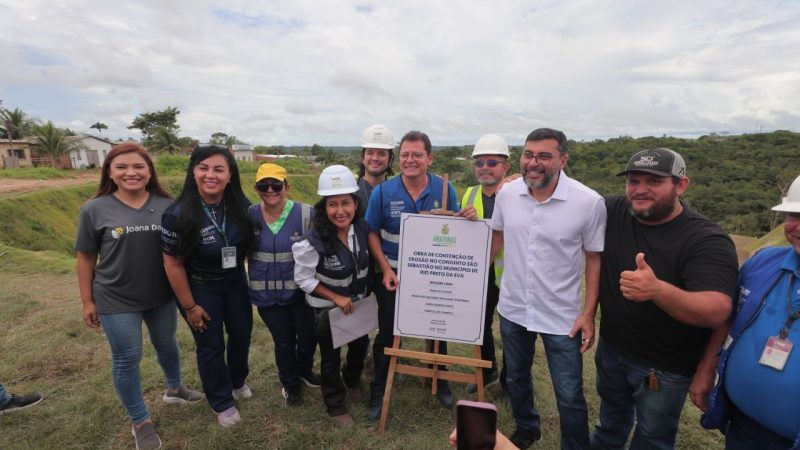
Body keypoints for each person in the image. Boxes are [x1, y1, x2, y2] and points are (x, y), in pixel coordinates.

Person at [590, 148, 738, 450]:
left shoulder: (706, 239)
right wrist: (516, 183)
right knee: (610, 420)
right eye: (633, 181)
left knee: (652, 437)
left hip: (664, 367)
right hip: (612, 349)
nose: (640, 189)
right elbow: (573, 200)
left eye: (654, 182)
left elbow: (718, 309)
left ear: (681, 185)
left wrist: (658, 290)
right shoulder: (614, 210)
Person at [75, 143, 203, 449]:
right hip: (115, 298)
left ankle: (175, 389)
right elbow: (85, 257)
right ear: (109, 172)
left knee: (167, 344)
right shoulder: (94, 209)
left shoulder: (167, 204)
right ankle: (140, 421)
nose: (130, 172)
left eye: (138, 166)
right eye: (121, 167)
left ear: (149, 171)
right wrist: (87, 301)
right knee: (127, 358)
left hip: (161, 295)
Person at [489, 128, 606, 450]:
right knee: (516, 377)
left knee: (568, 392)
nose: (533, 162)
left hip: (561, 314)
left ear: (563, 160)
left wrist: (588, 313)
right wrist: (468, 275)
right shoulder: (507, 195)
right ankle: (527, 428)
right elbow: (496, 236)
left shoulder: (588, 202)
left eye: (544, 156)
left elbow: (594, 258)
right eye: (528, 154)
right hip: (513, 307)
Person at [365, 130, 477, 421]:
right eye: (405, 155)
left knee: (438, 329)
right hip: (393, 275)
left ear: (430, 158)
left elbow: (454, 229)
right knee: (387, 334)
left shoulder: (444, 188)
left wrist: (467, 218)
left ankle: (441, 380)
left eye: (417, 155)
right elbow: (372, 233)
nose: (410, 160)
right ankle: (379, 391)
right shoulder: (383, 192)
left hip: (432, 275)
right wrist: (385, 269)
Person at [700, 174, 800, 449]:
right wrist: (706, 369)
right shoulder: (763, 262)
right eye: (795, 215)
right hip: (744, 427)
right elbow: (727, 320)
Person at [161, 145, 254, 428]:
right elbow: (172, 264)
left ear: (230, 175)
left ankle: (237, 381)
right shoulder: (177, 214)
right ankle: (221, 401)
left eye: (218, 169)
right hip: (200, 286)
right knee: (211, 345)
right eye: (203, 168)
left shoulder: (241, 205)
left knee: (241, 334)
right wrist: (190, 306)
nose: (210, 175)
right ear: (193, 171)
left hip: (235, 281)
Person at [292, 165, 372, 427]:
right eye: (332, 204)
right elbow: (303, 278)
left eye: (345, 203)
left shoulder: (361, 229)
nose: (340, 211)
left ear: (355, 203)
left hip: (357, 305)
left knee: (359, 348)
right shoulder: (313, 241)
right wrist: (335, 298)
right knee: (331, 357)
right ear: (324, 208)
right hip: (327, 310)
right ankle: (335, 404)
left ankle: (352, 380)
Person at [247, 163, 319, 407]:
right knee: (284, 342)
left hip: (301, 293)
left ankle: (304, 371)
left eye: (276, 185)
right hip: (268, 297)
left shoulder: (306, 214)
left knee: (308, 337)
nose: (270, 190)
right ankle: (290, 384)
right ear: (256, 188)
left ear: (286, 187)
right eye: (264, 185)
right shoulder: (249, 216)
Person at [461, 134, 510, 394]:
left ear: (506, 167)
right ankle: (488, 369)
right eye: (480, 163)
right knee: (479, 324)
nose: (485, 168)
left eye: (492, 162)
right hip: (480, 273)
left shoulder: (518, 193)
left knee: (512, 330)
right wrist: (462, 217)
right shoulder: (469, 194)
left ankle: (510, 381)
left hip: (513, 275)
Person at [356, 124, 395, 210]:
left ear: (390, 159)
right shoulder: (351, 193)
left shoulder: (397, 194)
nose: (375, 158)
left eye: (381, 153)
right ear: (363, 157)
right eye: (370, 153)